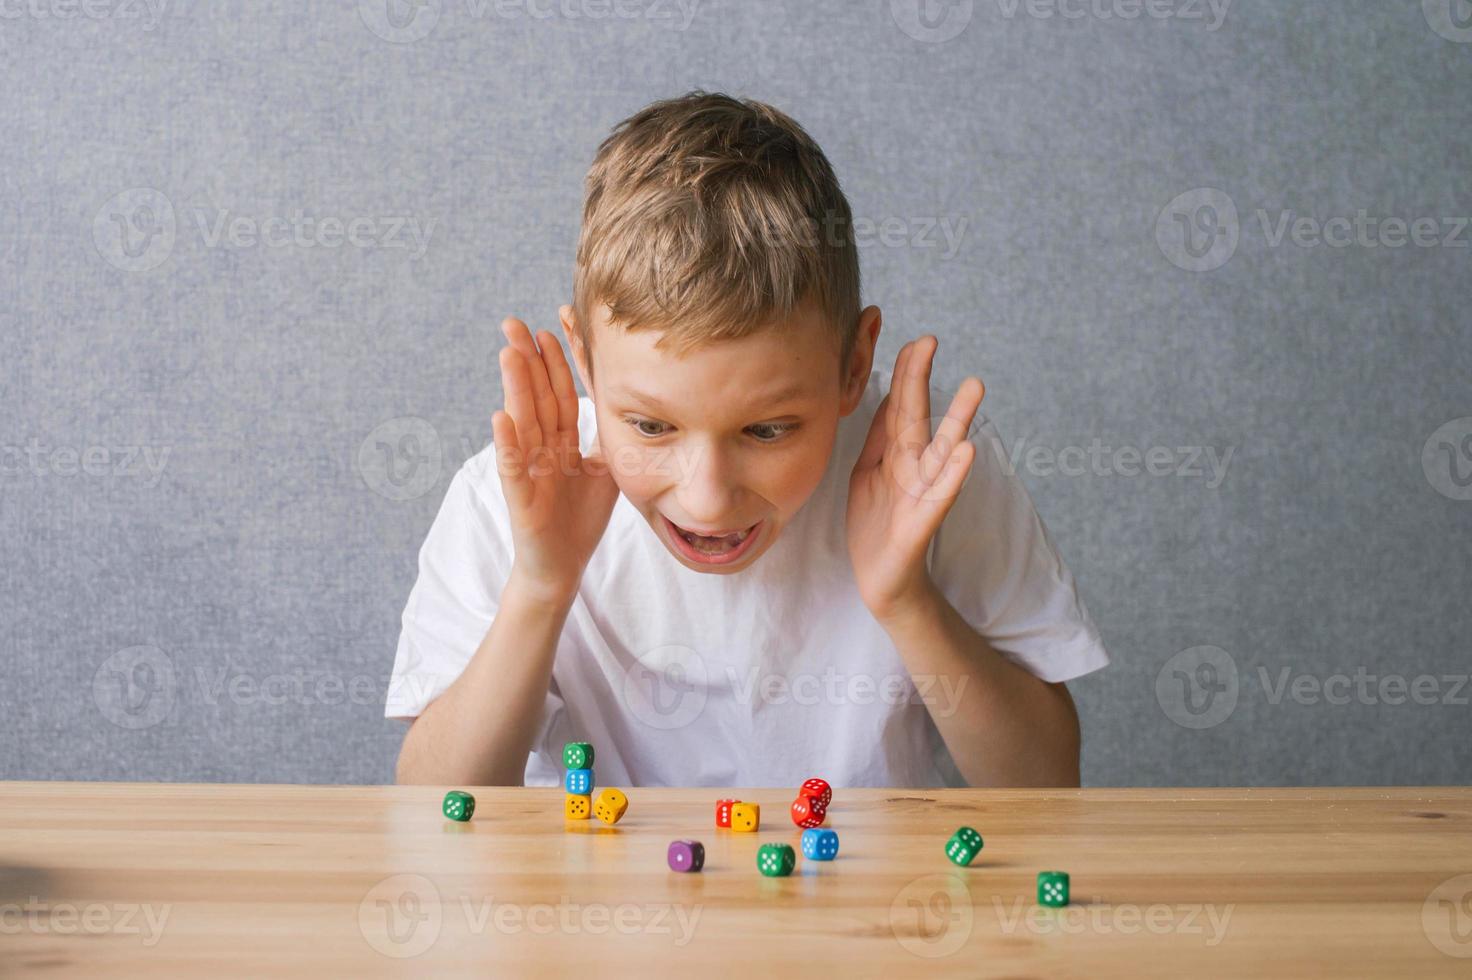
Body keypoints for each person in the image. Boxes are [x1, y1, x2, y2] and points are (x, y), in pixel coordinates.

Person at [387, 91, 1108, 789]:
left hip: (867, 907)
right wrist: (541, 587)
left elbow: (1045, 782)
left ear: (853, 367)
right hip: (586, 911)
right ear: (586, 362)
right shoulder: (506, 495)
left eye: (767, 430)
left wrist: (907, 599)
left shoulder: (920, 466)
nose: (707, 500)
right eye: (650, 426)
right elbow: (434, 807)